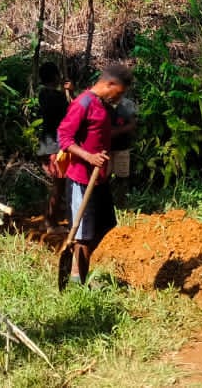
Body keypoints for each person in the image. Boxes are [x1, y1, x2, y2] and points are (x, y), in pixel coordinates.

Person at [56, 62, 134, 285]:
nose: (118, 99)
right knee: (83, 236)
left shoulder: (100, 104)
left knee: (107, 224)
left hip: (99, 179)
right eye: (118, 93)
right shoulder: (83, 103)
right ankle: (76, 280)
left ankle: (78, 267)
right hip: (82, 179)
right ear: (109, 84)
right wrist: (89, 157)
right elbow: (64, 138)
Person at [36, 62, 72, 220]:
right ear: (55, 76)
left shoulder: (43, 94)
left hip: (47, 144)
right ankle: (50, 223)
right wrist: (70, 92)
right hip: (54, 145)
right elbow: (71, 113)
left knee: (58, 185)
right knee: (58, 185)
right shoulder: (55, 97)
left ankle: (53, 218)